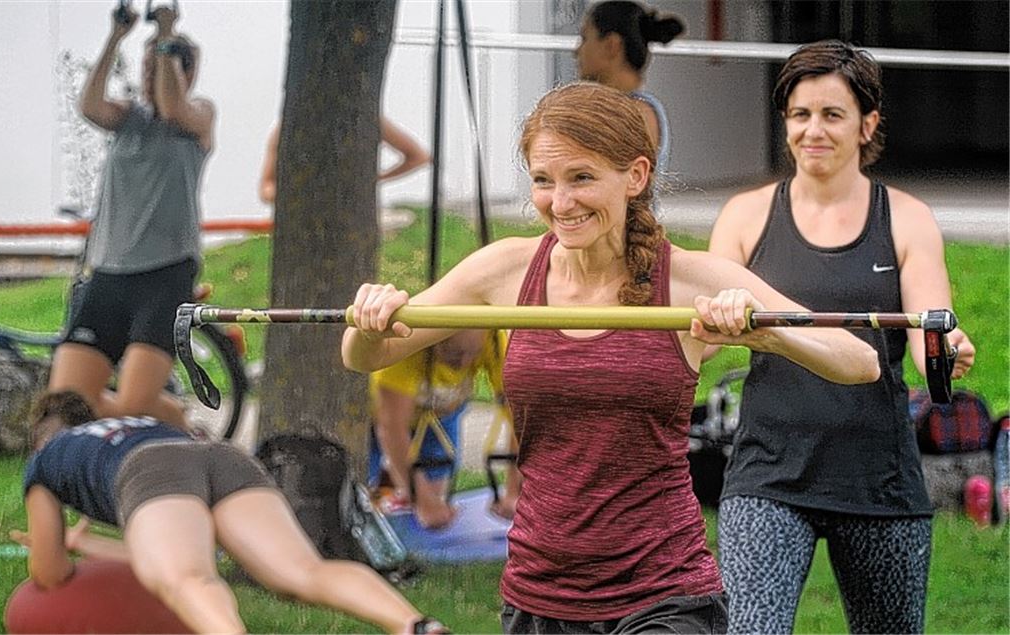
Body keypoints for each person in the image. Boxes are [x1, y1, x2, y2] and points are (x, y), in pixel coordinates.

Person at [341, 81, 881, 633]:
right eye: (543, 181)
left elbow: (858, 359)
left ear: (636, 176)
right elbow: (365, 355)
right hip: (540, 593)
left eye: (582, 178)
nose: (561, 202)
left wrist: (774, 338)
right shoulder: (503, 270)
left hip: (664, 593)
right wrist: (370, 319)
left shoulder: (688, 279)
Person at [707, 40, 977, 635]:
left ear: (867, 124)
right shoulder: (744, 216)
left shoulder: (905, 218)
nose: (813, 131)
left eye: (832, 114)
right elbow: (695, 341)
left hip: (877, 478)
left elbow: (930, 333)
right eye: (800, 115)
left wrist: (947, 352)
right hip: (768, 476)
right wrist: (717, 319)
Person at [14, 390, 449, 635]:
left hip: (150, 472)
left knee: (189, 580)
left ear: (41, 438)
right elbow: (185, 543)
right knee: (303, 572)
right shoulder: (130, 425)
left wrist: (57, 548)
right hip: (218, 456)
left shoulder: (46, 459)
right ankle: (415, 624)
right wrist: (88, 544)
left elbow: (50, 574)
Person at [48, 5, 213, 428]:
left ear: (185, 72)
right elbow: (88, 105)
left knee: (132, 407)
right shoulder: (127, 119)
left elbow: (174, 107)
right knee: (64, 405)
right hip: (109, 271)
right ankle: (174, 417)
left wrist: (166, 33)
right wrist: (115, 37)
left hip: (165, 273)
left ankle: (174, 430)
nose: (148, 73)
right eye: (144, 65)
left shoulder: (198, 118)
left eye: (157, 63)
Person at [369, 329, 521, 528]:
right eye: (453, 353)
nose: (464, 363)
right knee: (376, 499)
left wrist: (514, 491)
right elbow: (391, 429)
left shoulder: (494, 341)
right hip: (383, 419)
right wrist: (423, 501)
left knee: (432, 499)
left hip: (442, 415)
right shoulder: (403, 350)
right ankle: (388, 478)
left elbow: (522, 419)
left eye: (473, 354)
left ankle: (399, 481)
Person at [575, 0, 684, 171]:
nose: (577, 51)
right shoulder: (616, 108)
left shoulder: (637, 113)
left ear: (611, 45)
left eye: (585, 38)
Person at [258, 117, 430, 204]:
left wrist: (372, 180)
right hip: (302, 222)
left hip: (353, 218)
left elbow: (419, 157)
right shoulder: (290, 125)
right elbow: (266, 189)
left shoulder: (367, 116)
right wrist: (303, 193)